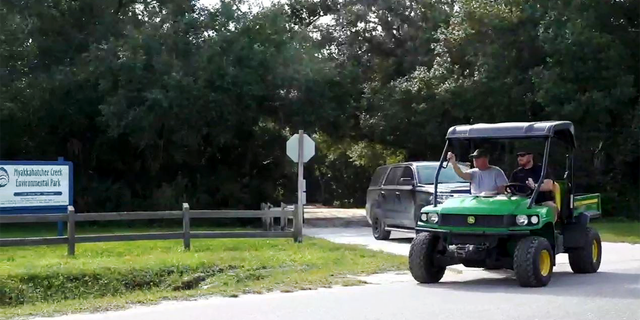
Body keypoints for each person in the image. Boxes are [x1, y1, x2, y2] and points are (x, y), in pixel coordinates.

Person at [508, 151, 559, 222]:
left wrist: (534, 186)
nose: (519, 158)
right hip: (521, 202)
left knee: (551, 207)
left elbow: (549, 186)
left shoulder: (541, 169)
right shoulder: (516, 173)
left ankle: (551, 229)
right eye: (518, 156)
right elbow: (510, 188)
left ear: (530, 156)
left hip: (540, 202)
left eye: (522, 155)